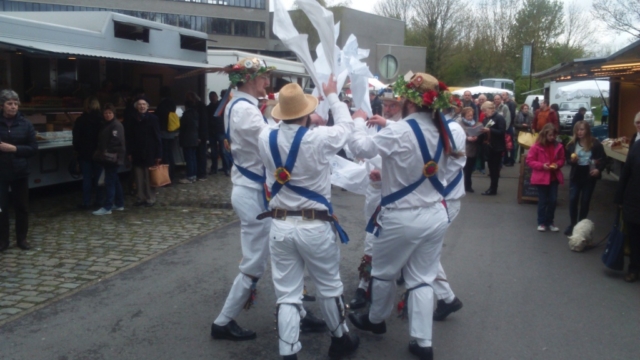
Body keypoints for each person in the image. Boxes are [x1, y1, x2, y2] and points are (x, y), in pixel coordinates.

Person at [210, 58, 325, 342]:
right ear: (249, 79)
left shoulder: (243, 106)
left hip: (254, 190)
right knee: (255, 263)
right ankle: (223, 321)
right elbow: (276, 139)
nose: (267, 83)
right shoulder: (244, 111)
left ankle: (296, 312)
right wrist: (306, 122)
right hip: (252, 193)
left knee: (286, 253)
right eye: (263, 78)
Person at [347, 72, 453, 360]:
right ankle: (422, 342)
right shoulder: (444, 129)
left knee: (383, 272)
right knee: (422, 278)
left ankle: (376, 319)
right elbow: (454, 166)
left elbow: (359, 147)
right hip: (435, 212)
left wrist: (357, 119)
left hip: (402, 216)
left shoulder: (399, 130)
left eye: (403, 98)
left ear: (409, 101)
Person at [257, 79, 359, 360]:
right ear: (305, 113)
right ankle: (340, 341)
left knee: (287, 293)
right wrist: (332, 96)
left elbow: (279, 133)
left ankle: (288, 353)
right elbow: (348, 127)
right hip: (314, 224)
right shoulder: (319, 138)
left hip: (279, 224)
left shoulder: (265, 137)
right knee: (328, 287)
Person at [347, 87, 403, 310]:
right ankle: (364, 285)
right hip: (375, 189)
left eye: (393, 106)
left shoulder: (405, 129)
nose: (387, 110)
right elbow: (364, 151)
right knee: (372, 235)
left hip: (399, 195)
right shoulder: (378, 126)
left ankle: (405, 283)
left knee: (399, 239)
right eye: (385, 106)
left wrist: (384, 173)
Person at [0, 89, 38, 252]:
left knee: (22, 207)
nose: (13, 107)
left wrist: (14, 149)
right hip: (1, 172)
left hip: (20, 171)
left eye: (15, 104)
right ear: (2, 106)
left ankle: (22, 239)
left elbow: (33, 148)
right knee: (1, 208)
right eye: (9, 104)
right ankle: (3, 241)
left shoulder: (25, 123)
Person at [564, 121, 606, 235]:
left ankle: (580, 226)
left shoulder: (595, 144)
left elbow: (603, 159)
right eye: (577, 130)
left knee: (585, 201)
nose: (579, 132)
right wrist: (572, 161)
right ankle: (572, 224)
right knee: (573, 199)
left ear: (587, 130)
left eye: (582, 129)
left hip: (589, 176)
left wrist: (598, 170)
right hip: (576, 175)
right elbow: (567, 159)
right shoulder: (572, 144)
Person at [526, 123, 565, 232]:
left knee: (552, 200)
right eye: (550, 135)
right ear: (545, 135)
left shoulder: (558, 146)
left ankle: (550, 222)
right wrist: (541, 166)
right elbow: (530, 160)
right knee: (543, 201)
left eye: (554, 135)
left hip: (554, 176)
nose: (552, 138)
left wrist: (558, 164)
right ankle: (541, 222)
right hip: (541, 177)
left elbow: (562, 159)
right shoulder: (536, 146)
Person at [126, 96, 162, 207]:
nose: (142, 106)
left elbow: (157, 137)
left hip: (149, 151)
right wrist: (129, 152)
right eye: (140, 104)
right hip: (137, 151)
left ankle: (150, 198)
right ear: (136, 106)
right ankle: (140, 197)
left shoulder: (153, 118)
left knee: (149, 176)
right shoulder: (132, 119)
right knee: (138, 176)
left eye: (144, 104)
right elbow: (129, 136)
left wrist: (158, 154)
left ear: (147, 106)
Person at [92, 104, 126, 216]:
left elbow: (116, 141)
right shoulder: (107, 124)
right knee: (114, 180)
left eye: (109, 113)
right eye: (106, 113)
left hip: (112, 157)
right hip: (110, 157)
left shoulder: (116, 125)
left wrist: (105, 151)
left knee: (109, 182)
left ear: (113, 114)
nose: (107, 115)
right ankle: (119, 203)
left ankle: (108, 207)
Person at [614, 138, 640, 282]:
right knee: (634, 238)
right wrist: (619, 198)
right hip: (634, 201)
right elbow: (625, 174)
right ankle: (634, 269)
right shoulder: (636, 147)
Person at [73, 97, 104, 209]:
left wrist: (77, 150)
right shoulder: (102, 120)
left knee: (86, 178)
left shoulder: (80, 120)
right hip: (98, 153)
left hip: (84, 153)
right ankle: (99, 201)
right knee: (98, 178)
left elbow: (76, 138)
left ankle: (86, 202)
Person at [480, 101, 506, 195]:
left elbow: (502, 132)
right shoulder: (486, 119)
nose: (484, 113)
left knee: (495, 169)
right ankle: (492, 187)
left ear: (491, 109)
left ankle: (493, 188)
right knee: (491, 169)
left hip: (497, 147)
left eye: (485, 111)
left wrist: (490, 130)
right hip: (489, 146)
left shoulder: (499, 118)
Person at [155, 86, 178, 182]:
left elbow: (158, 115)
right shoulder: (172, 103)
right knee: (170, 153)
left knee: (165, 155)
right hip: (171, 131)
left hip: (164, 131)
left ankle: (167, 176)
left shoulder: (162, 104)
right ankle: (172, 174)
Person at [186, 92, 209, 181]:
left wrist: (200, 136)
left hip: (200, 135)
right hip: (201, 134)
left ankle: (202, 173)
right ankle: (200, 173)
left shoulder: (200, 107)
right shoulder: (201, 106)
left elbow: (202, 123)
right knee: (200, 154)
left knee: (201, 154)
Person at [458, 107, 481, 192]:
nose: (470, 117)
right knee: (466, 169)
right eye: (468, 116)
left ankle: (467, 185)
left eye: (471, 115)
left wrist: (477, 136)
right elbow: (459, 136)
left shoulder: (475, 123)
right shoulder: (460, 124)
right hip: (465, 149)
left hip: (474, 148)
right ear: (464, 116)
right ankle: (467, 186)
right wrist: (467, 138)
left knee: (470, 168)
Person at [178, 96, 200, 184]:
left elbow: (182, 126)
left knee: (189, 158)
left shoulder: (186, 115)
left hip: (187, 138)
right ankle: (194, 175)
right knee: (193, 157)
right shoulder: (195, 113)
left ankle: (190, 176)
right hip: (194, 138)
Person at [206, 91, 228, 175]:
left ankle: (226, 168)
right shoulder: (208, 108)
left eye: (213, 96)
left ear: (216, 97)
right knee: (214, 152)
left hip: (220, 131)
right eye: (211, 97)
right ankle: (215, 168)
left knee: (223, 151)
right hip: (213, 131)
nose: (212, 98)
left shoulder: (221, 107)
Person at [493, 95, 513, 167]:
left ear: (501, 99)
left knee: (504, 147)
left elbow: (508, 119)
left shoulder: (504, 107)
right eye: (495, 99)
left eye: (498, 99)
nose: (496, 100)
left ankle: (502, 162)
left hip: (502, 130)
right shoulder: (493, 107)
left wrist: (505, 130)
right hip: (495, 131)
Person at [502, 92, 517, 166]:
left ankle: (512, 160)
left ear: (507, 96)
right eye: (502, 95)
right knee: (505, 143)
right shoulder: (504, 103)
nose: (503, 96)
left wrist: (509, 124)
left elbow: (512, 115)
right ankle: (506, 159)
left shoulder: (511, 103)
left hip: (509, 126)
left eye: (504, 95)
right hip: (505, 126)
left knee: (510, 143)